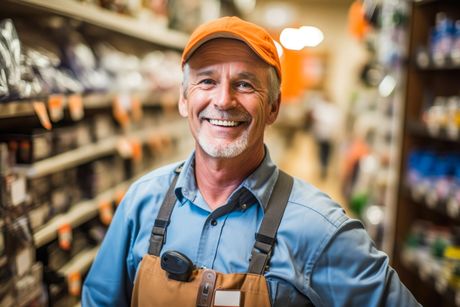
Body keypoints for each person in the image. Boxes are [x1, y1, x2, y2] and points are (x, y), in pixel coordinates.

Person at [82, 16, 420, 306]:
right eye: (207, 81)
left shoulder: (318, 229)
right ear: (184, 100)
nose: (224, 100)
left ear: (273, 106)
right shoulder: (142, 203)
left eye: (244, 84)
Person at [309, 92, 343, 180]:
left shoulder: (333, 109)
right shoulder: (321, 107)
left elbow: (335, 123)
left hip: (328, 136)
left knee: (326, 154)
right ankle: (321, 168)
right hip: (320, 134)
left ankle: (323, 170)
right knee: (321, 153)